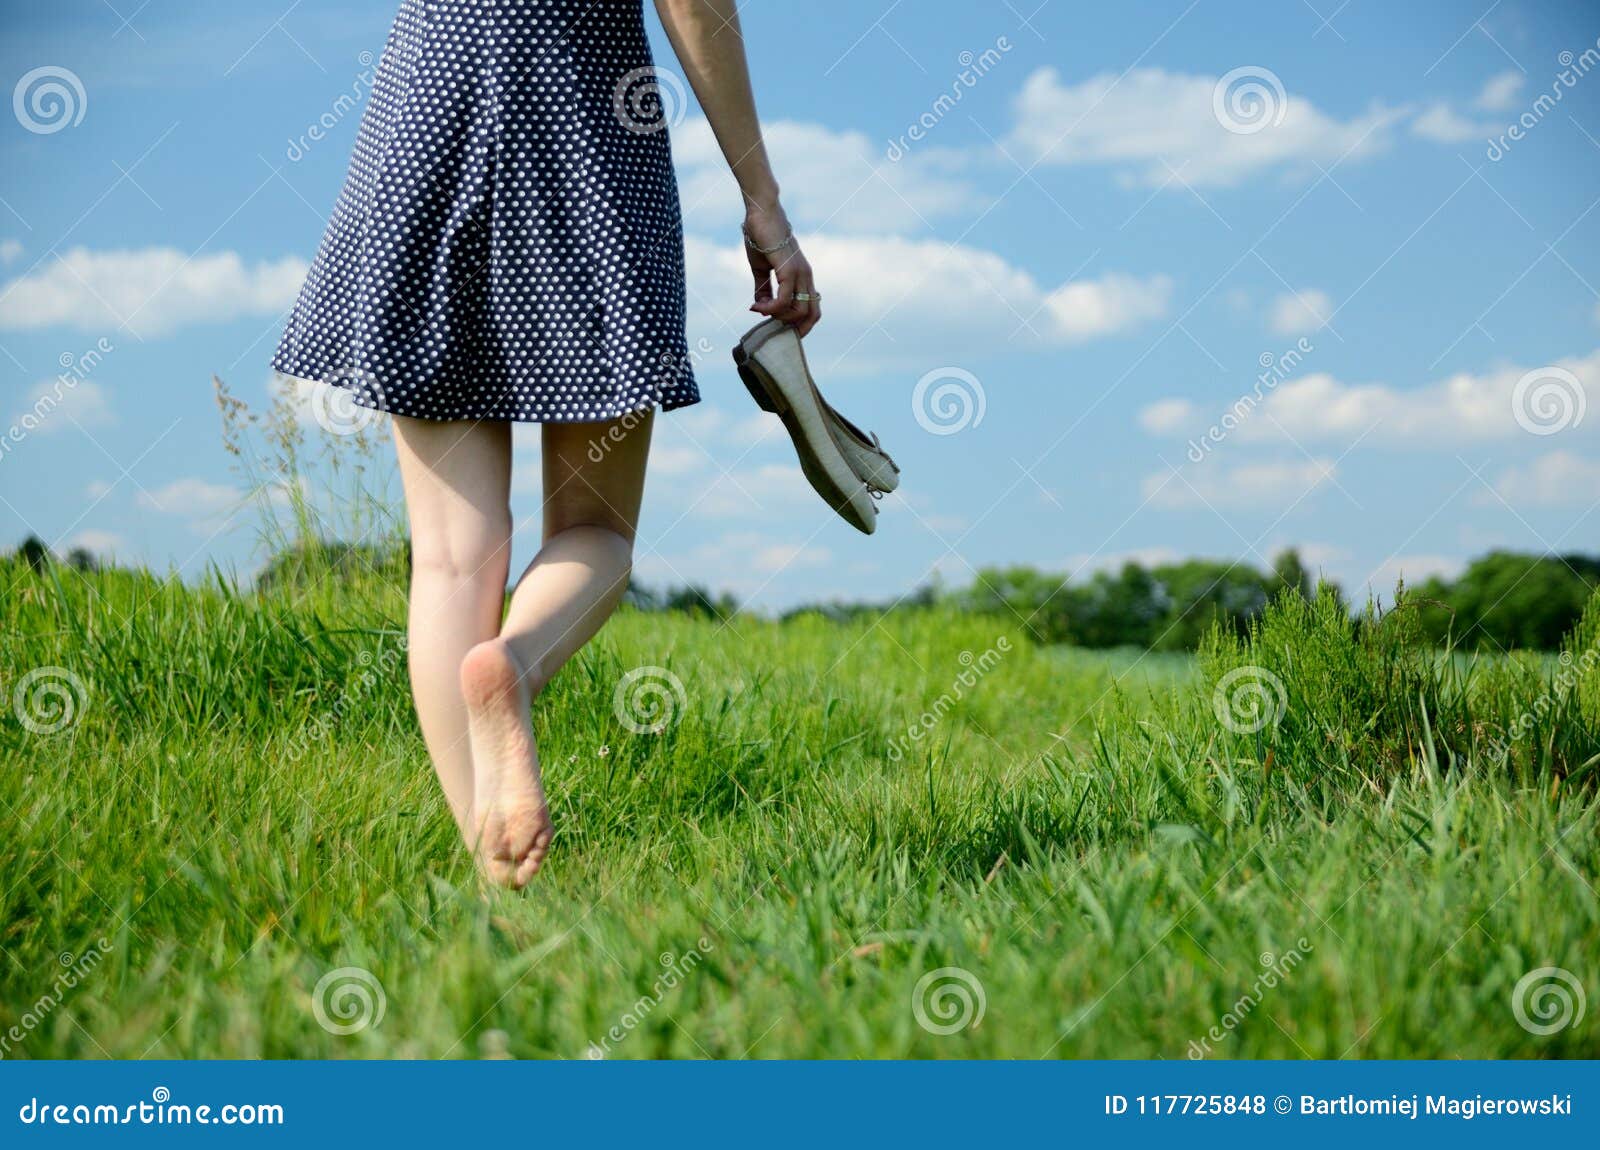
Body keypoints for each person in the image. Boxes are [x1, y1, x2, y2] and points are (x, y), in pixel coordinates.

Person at [272, 0, 819, 887]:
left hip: (428, 119)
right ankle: (513, 666)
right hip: (582, 137)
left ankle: (496, 875)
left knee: (452, 559)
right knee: (595, 529)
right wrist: (763, 199)